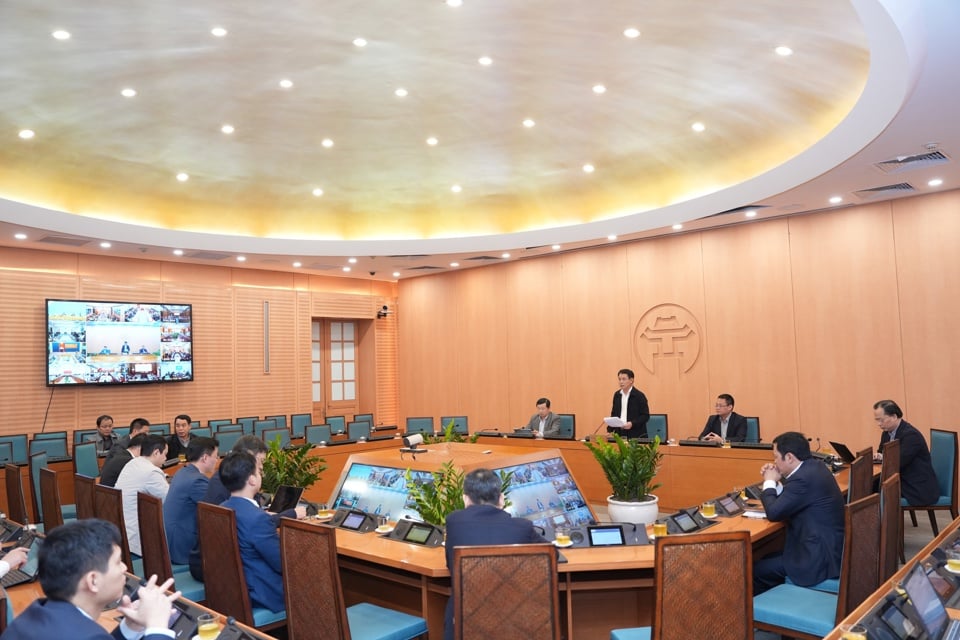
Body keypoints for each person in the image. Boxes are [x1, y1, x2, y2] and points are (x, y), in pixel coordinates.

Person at [0, 519, 179, 640]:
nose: (125, 568)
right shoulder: (86, 635)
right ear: (93, 580)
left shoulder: (37, 613)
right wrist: (157, 626)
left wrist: (130, 627)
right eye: (118, 562)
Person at [443, 468, 546, 640]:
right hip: (515, 619)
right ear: (501, 498)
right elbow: (552, 556)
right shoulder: (522, 527)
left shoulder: (454, 521)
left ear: (465, 499)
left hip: (462, 620)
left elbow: (449, 564)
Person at [188, 435, 303, 581]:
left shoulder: (226, 482)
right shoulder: (230, 485)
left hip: (213, 563)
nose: (261, 468)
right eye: (260, 462)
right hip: (217, 569)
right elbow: (284, 564)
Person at [753, 431, 845, 595]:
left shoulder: (803, 479)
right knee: (766, 557)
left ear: (789, 457)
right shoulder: (814, 467)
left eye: (775, 457)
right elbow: (793, 498)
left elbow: (774, 513)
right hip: (825, 547)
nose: (774, 462)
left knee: (756, 570)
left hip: (818, 559)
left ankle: (767, 615)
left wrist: (768, 482)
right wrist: (776, 480)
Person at [219, 451, 285, 613]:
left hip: (229, 590)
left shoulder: (220, 508)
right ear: (252, 479)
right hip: (264, 594)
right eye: (259, 471)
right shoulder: (257, 519)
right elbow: (282, 564)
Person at [163, 436, 219, 565]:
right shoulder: (197, 481)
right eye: (215, 456)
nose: (217, 460)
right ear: (205, 457)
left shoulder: (183, 472)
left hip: (169, 543)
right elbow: (218, 510)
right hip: (182, 548)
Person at [874, 400, 940, 505]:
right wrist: (878, 456)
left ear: (894, 416)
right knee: (869, 487)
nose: (879, 424)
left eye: (881, 420)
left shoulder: (911, 435)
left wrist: (883, 457)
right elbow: (882, 453)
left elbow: (898, 463)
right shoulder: (886, 434)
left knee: (873, 490)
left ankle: (883, 520)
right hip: (900, 479)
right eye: (877, 420)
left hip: (915, 486)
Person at [115, 435, 169, 556]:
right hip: (137, 538)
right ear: (156, 453)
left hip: (121, 531)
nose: (166, 458)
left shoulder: (133, 462)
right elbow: (169, 501)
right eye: (165, 454)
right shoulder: (152, 472)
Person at [609, 368, 649, 439]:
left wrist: (632, 423)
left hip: (635, 434)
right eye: (619, 379)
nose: (621, 382)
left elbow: (645, 416)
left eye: (624, 379)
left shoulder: (639, 396)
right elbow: (614, 414)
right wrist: (610, 430)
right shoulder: (617, 395)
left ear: (631, 380)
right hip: (620, 433)